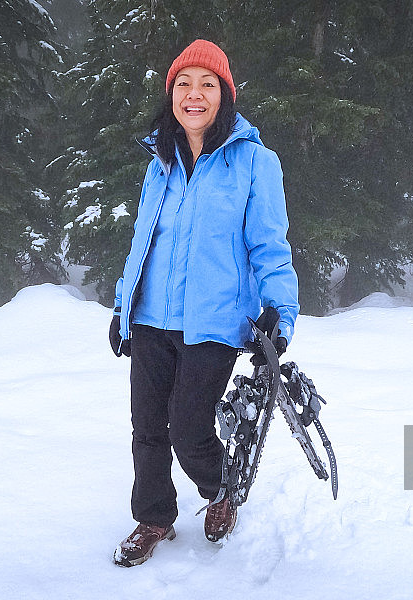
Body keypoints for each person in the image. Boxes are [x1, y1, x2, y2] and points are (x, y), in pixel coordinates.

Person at [109, 39, 299, 567]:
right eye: (184, 84)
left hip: (215, 320)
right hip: (151, 317)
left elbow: (270, 245)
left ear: (225, 95)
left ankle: (221, 490)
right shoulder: (160, 161)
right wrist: (123, 306)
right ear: (172, 94)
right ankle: (153, 518)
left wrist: (280, 313)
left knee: (190, 428)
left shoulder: (255, 162)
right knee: (148, 429)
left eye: (207, 84)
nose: (194, 95)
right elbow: (143, 241)